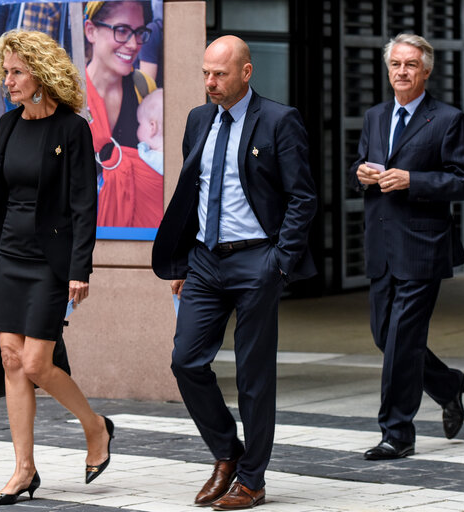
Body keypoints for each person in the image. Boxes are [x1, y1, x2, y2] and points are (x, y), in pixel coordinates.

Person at [152, 36, 317, 510]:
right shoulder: (198, 119)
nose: (210, 82)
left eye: (219, 74)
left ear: (246, 73)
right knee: (185, 361)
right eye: (206, 73)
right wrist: (183, 259)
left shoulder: (280, 120)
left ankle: (252, 480)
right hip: (204, 260)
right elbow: (190, 194)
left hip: (256, 261)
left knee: (253, 376)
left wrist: (279, 261)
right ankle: (227, 452)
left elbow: (302, 196)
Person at [0, 30, 114, 506]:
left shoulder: (71, 129)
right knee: (10, 358)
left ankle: (96, 428)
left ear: (40, 76)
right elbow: (1, 187)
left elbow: (83, 204)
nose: (6, 81)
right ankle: (24, 469)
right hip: (10, 255)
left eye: (16, 72)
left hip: (50, 262)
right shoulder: (9, 125)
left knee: (36, 363)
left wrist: (79, 267)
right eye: (4, 72)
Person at [350, 33, 464, 460]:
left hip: (423, 246)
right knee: (384, 336)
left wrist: (413, 181)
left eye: (409, 65)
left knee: (403, 338)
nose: (401, 72)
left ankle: (397, 433)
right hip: (381, 243)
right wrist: (362, 173)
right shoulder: (374, 116)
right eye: (395, 65)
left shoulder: (447, 119)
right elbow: (361, 161)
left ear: (426, 70)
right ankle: (448, 384)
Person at [83, 1, 163, 228]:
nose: (133, 44)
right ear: (91, 31)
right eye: (121, 31)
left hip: (137, 237)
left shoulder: (143, 87)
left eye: (139, 33)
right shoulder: (67, 96)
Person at [136, 87, 163, 175]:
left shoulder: (146, 157)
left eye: (139, 123)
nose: (138, 128)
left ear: (152, 127)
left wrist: (141, 147)